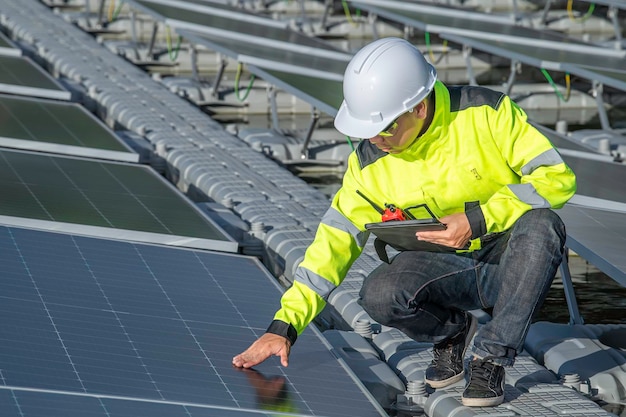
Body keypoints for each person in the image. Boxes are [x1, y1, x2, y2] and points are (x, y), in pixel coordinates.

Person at [233, 37, 577, 408]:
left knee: (543, 225)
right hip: (450, 267)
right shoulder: (369, 165)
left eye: (385, 128)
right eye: (368, 130)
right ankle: (453, 332)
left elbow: (556, 178)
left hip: (512, 259)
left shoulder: (486, 113)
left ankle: (490, 358)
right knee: (379, 294)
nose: (376, 139)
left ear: (418, 106)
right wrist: (284, 327)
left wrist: (478, 219)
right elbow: (331, 245)